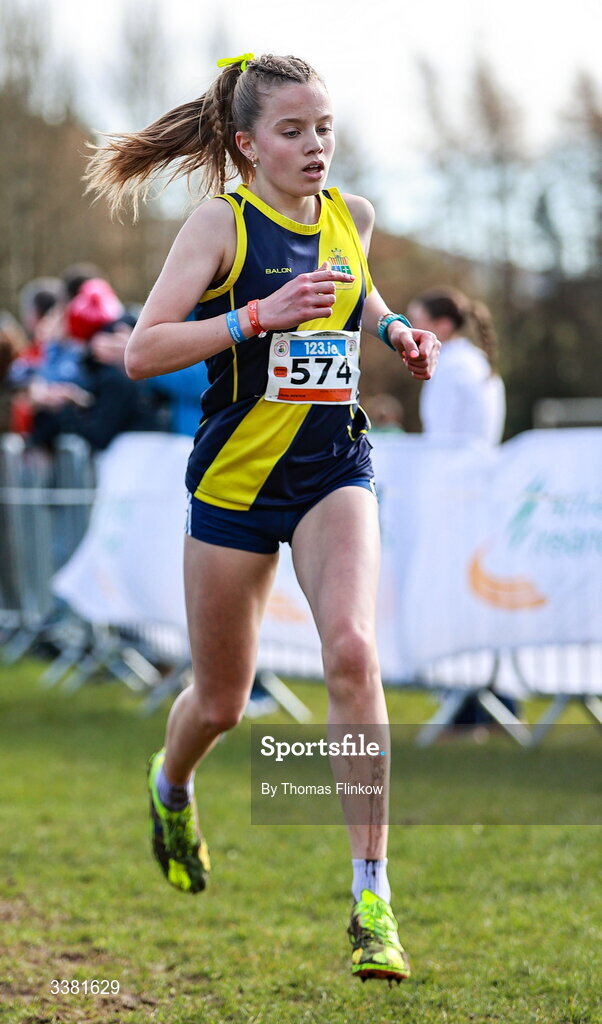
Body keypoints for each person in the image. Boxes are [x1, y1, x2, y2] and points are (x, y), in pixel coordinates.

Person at [85, 52, 439, 983]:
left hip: (332, 467)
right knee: (222, 703)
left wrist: (396, 330)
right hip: (237, 489)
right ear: (247, 144)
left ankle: (372, 898)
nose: (316, 147)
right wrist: (258, 317)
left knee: (354, 653)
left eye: (325, 128)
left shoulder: (350, 217)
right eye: (293, 131)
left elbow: (359, 291)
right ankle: (170, 787)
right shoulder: (219, 225)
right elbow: (141, 351)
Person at [408, 286, 517, 727]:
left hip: (457, 498)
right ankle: (490, 701)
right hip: (476, 496)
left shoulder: (452, 369)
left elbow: (444, 444)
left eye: (415, 318)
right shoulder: (474, 364)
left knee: (462, 599)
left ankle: (475, 705)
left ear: (442, 326)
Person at [407, 286, 505, 444]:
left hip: (456, 465)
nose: (410, 329)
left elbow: (439, 436)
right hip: (475, 463)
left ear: (443, 325)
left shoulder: (450, 366)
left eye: (416, 320)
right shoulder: (475, 358)